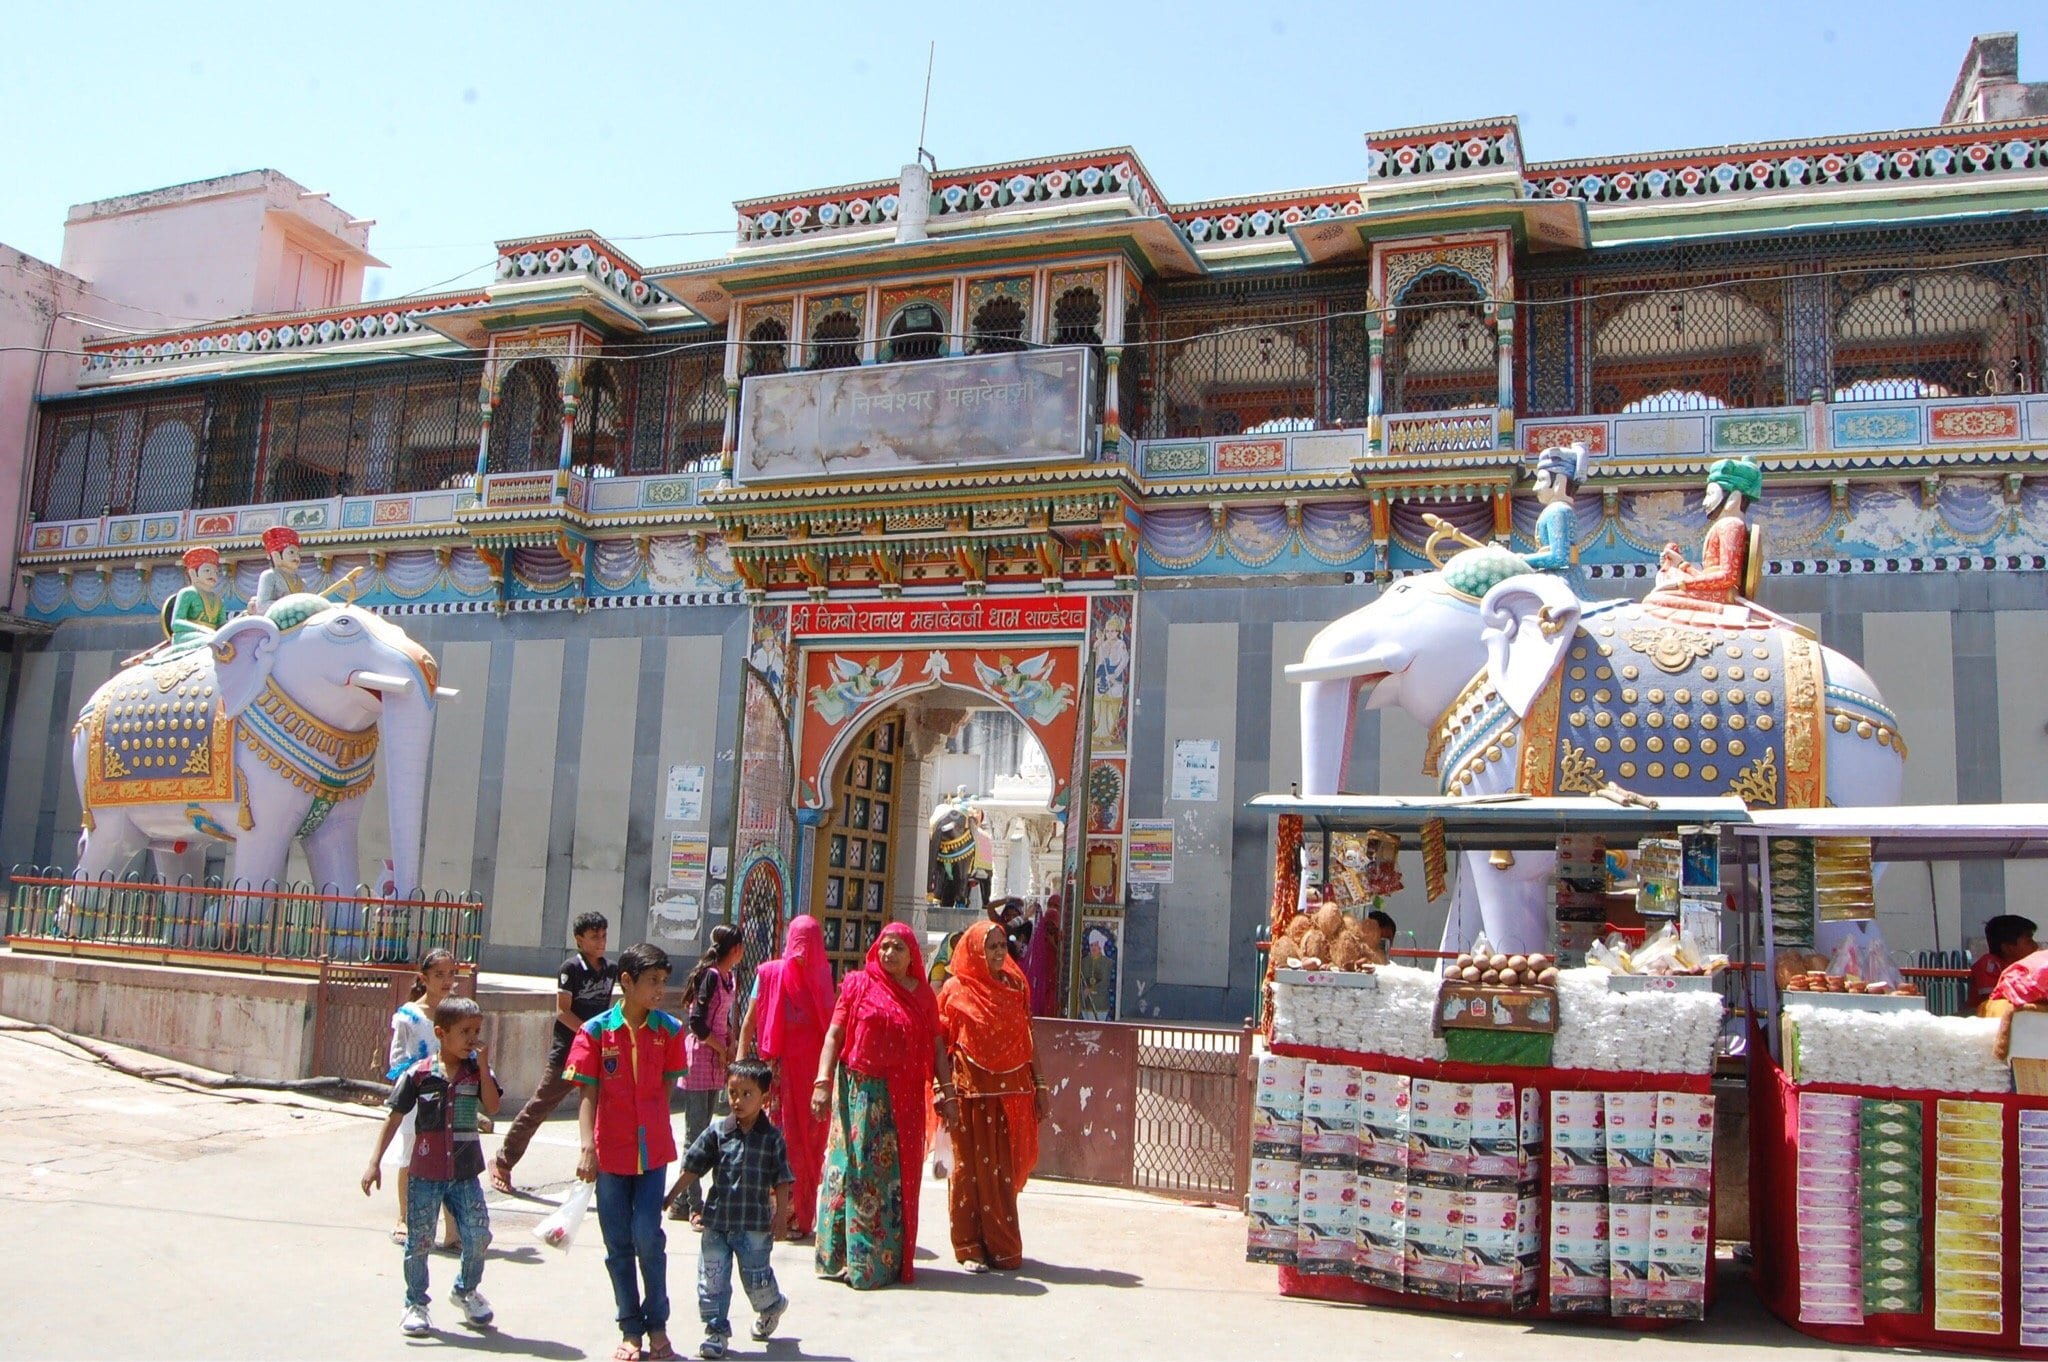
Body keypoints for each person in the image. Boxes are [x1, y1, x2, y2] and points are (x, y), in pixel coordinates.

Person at [811, 921, 958, 1289]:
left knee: (895, 1180)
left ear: (912, 956)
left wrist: (949, 1093)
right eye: (885, 946)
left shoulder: (923, 996)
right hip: (860, 1096)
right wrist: (822, 1082)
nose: (889, 954)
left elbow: (938, 1048)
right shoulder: (858, 985)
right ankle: (845, 1259)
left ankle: (884, 1262)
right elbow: (834, 1034)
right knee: (855, 1173)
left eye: (898, 948)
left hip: (905, 1100)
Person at [569, 943, 689, 1362]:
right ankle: (630, 1329)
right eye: (652, 982)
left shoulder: (671, 1031)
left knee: (648, 1238)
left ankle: (658, 1326)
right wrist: (588, 1146)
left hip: (652, 1154)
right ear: (627, 982)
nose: (660, 990)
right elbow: (589, 1092)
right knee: (618, 1244)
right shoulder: (596, 1032)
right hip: (610, 1155)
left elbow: (666, 1088)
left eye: (663, 982)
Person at [361, 995, 501, 1337]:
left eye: (477, 1031)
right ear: (441, 1032)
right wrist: (374, 1162)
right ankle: (415, 1303)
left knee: (478, 1234)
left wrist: (483, 1067)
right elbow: (394, 1118)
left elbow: (494, 1106)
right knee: (419, 1241)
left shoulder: (476, 1073)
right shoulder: (419, 1075)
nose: (473, 1039)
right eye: (465, 1031)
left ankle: (465, 1290)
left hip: (465, 1173)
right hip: (425, 1173)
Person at [937, 920, 1049, 1272]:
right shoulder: (956, 990)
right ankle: (969, 1246)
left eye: (1003, 945)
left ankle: (1001, 1247)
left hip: (1010, 1095)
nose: (1000, 952)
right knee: (968, 1171)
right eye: (992, 946)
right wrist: (943, 1091)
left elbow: (1028, 1039)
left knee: (1002, 1172)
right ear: (974, 951)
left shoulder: (1015, 986)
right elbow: (942, 1044)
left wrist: (1041, 1086)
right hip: (970, 1094)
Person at [668, 1059, 794, 1360]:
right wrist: (672, 1194)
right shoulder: (717, 1132)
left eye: (747, 1094)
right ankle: (715, 1332)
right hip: (717, 1223)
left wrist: (780, 1220)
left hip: (754, 1227)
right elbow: (693, 1166)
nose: (737, 1100)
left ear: (764, 1097)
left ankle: (771, 1305)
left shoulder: (772, 1138)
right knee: (711, 1279)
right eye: (733, 1092)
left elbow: (782, 1180)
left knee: (756, 1280)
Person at [493, 911, 616, 1193]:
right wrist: (589, 1032)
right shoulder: (570, 969)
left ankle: (605, 1175)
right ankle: (503, 1161)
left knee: (604, 1113)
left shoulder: (610, 970)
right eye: (594, 936)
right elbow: (563, 1012)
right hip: (568, 1053)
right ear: (579, 939)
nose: (600, 942)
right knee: (540, 1105)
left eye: (604, 935)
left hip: (598, 1053)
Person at [733, 915, 832, 1240]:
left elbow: (832, 1030)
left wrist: (827, 1077)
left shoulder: (821, 977)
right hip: (774, 1075)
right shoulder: (770, 974)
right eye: (797, 940)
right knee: (774, 1141)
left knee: (807, 1145)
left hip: (809, 1078)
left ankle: (799, 1215)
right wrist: (739, 1067)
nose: (801, 951)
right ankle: (772, 1214)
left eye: (809, 941)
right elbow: (749, 1021)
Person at [671, 925, 745, 1221]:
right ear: (736, 949)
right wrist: (718, 1046)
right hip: (702, 1058)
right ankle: (694, 1204)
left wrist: (730, 1038)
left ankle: (680, 1202)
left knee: (707, 1130)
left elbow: (720, 1017)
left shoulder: (730, 978)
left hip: (716, 1059)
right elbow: (698, 1024)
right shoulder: (712, 976)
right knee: (697, 1133)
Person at [388, 949, 461, 1247]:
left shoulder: (457, 1012)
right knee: (410, 1155)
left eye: (451, 974)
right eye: (439, 975)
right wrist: (423, 1076)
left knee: (448, 1160)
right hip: (418, 1096)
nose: (446, 981)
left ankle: (452, 1231)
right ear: (424, 978)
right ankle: (404, 1218)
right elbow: (397, 1059)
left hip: (450, 1097)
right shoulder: (409, 1015)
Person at [1643, 457, 1763, 627]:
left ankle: (1722, 611)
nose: (1705, 502)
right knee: (1667, 577)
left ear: (1734, 498)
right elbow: (1712, 576)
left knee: (1654, 600)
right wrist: (1681, 565)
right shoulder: (1726, 524)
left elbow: (1728, 577)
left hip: (1723, 594)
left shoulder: (1731, 525)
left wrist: (1681, 583)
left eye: (1710, 494)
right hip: (1718, 590)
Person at [1521, 441, 1592, 596]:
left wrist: (1522, 559)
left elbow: (1559, 557)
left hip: (1560, 580)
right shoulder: (1557, 510)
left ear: (1559, 482)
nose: (1535, 488)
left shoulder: (1558, 510)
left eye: (1541, 480)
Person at [1970, 914, 2040, 1011]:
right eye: (2029, 941)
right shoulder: (1989, 964)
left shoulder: (2026, 968)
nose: (2035, 946)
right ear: (2007, 948)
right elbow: (1992, 1003)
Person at [165, 546, 230, 649]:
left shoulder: (218, 600)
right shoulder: (188, 593)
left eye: (216, 572)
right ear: (193, 573)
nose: (213, 575)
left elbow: (221, 625)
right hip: (186, 636)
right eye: (207, 570)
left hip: (211, 634)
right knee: (210, 641)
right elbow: (176, 623)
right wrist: (201, 629)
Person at [250, 524, 308, 614]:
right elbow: (262, 606)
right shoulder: (270, 575)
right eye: (291, 552)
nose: (296, 556)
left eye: (298, 553)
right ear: (276, 555)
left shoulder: (302, 582)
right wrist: (289, 604)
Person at [1022, 896, 1062, 1017]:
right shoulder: (1039, 936)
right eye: (1051, 905)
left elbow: (1063, 960)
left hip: (1054, 982)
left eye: (1056, 906)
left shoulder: (1061, 937)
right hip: (1040, 981)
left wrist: (1053, 943)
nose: (1050, 928)